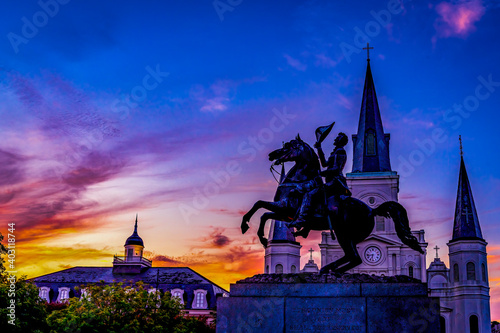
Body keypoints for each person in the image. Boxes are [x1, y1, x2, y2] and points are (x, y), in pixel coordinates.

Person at [291, 132, 351, 230]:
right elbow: (324, 164)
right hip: (330, 181)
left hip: (335, 182)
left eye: (338, 138)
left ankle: (301, 220)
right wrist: (319, 148)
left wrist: (321, 174)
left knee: (309, 194)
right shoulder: (336, 152)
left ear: (341, 141)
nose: (335, 139)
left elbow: (336, 169)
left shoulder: (340, 152)